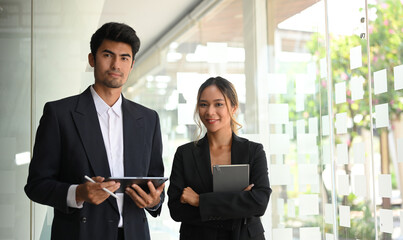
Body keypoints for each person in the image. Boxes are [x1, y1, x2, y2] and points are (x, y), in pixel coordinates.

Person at [24, 22, 165, 240]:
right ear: (92, 59)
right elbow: (36, 185)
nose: (116, 64)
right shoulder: (59, 114)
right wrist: (78, 193)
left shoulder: (148, 119)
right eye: (107, 55)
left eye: (124, 58)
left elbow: (155, 183)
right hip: (81, 234)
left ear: (132, 64)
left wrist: (155, 201)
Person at [167, 76, 271, 240]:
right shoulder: (184, 154)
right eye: (203, 104)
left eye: (218, 104)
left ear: (233, 107)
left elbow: (259, 203)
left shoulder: (253, 151)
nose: (210, 112)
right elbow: (176, 210)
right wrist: (239, 203)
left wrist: (200, 201)